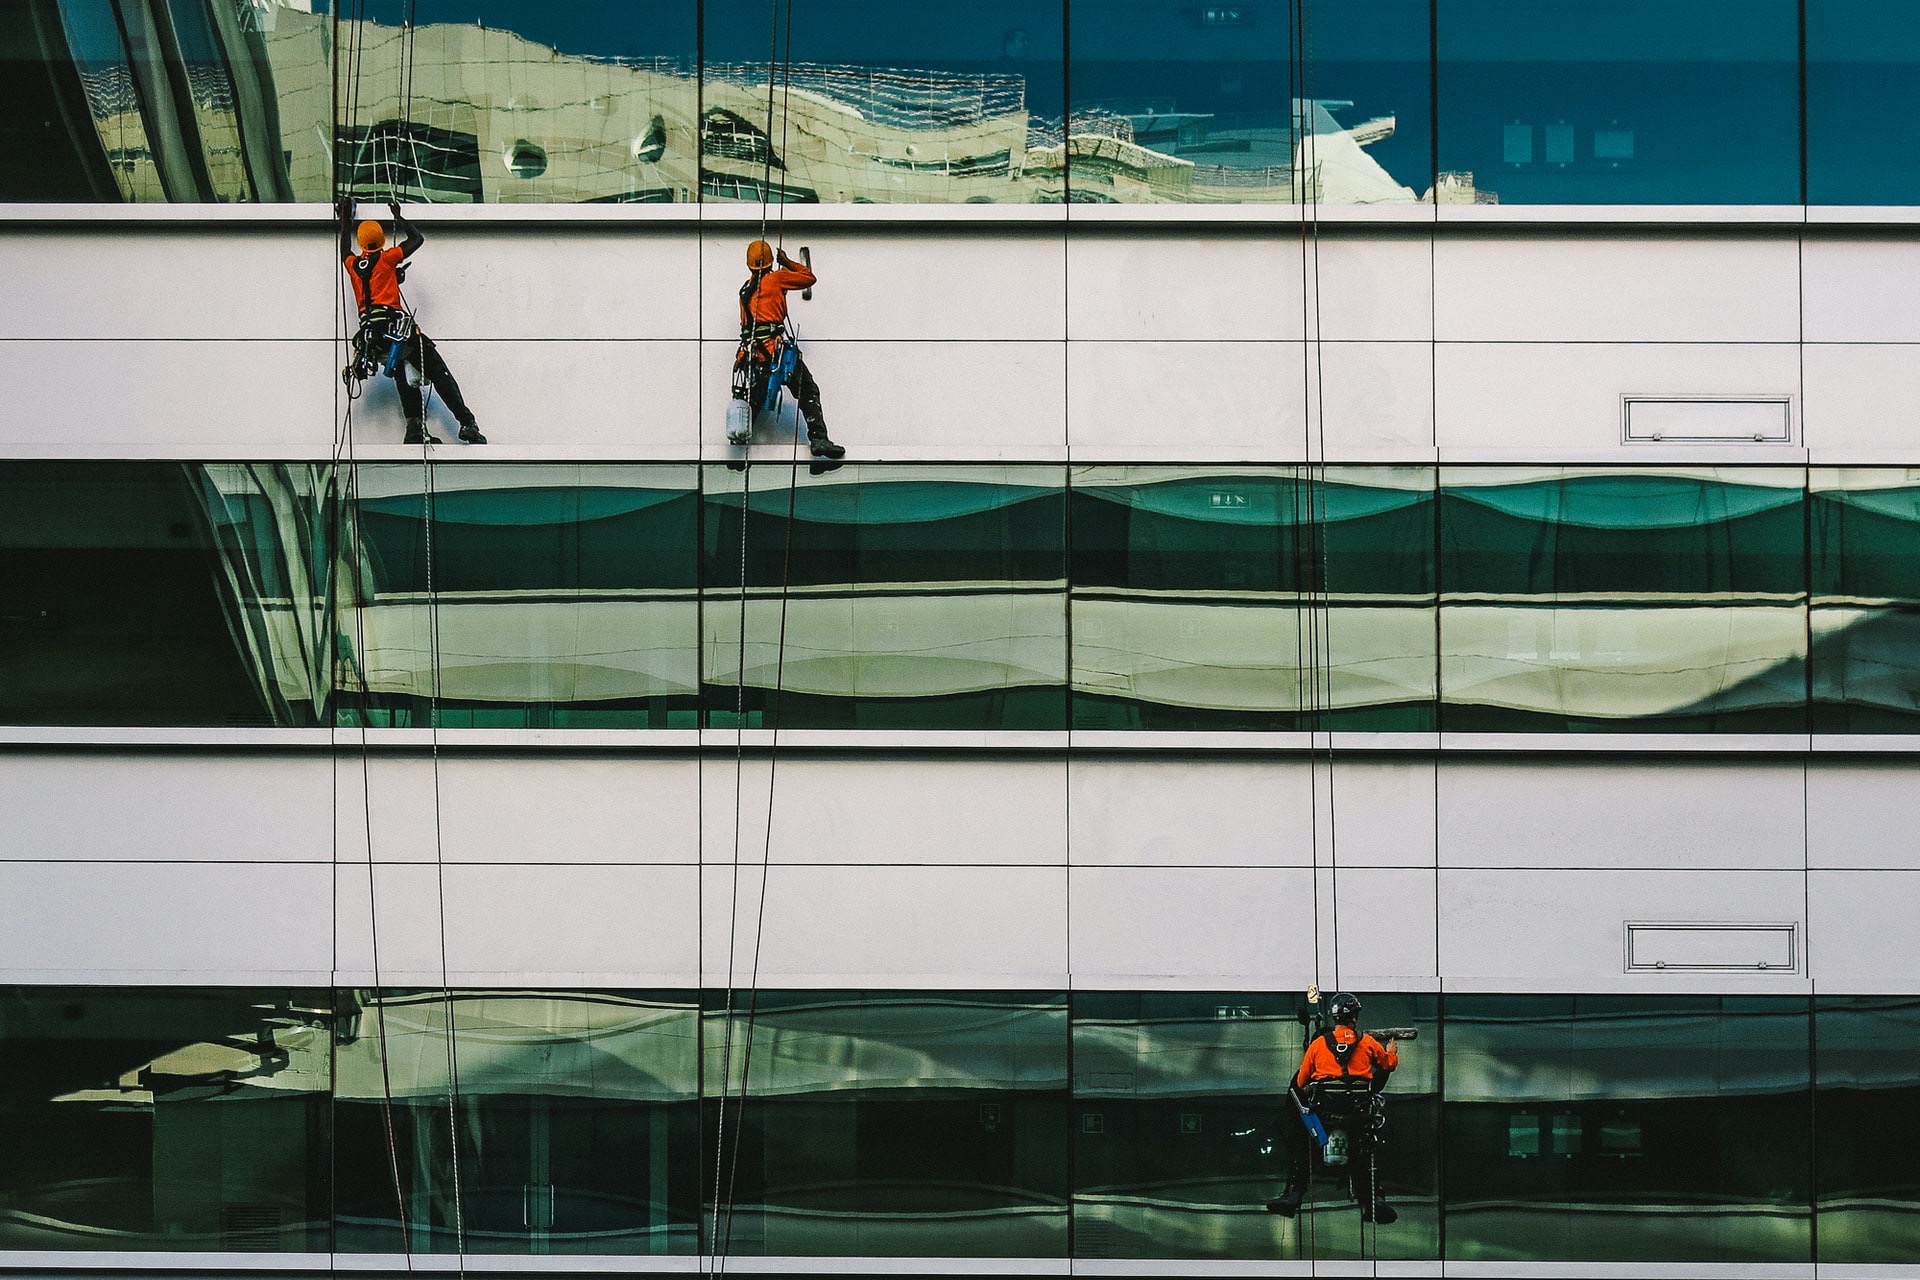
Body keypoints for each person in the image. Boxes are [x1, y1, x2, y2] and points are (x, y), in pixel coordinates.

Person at [337, 198, 485, 445]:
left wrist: (345, 218)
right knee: (437, 371)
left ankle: (415, 430)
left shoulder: (353, 265)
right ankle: (467, 422)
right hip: (395, 331)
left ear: (362, 243)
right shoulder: (386, 259)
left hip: (372, 340)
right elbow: (417, 240)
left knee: (403, 376)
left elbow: (344, 249)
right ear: (381, 242)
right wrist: (399, 217)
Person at [1267, 992, 1400, 1224]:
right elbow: (1388, 1065)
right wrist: (1392, 1052)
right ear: (1355, 1017)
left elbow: (1300, 1082)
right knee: (1365, 1152)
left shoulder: (1318, 1045)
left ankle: (1293, 1195)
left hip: (1324, 1119)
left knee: (1303, 1145)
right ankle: (1374, 1201)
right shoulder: (1368, 1042)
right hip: (1357, 1119)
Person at [729, 238, 843, 459]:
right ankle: (819, 439)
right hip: (774, 352)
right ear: (770, 262)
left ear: (749, 265)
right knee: (807, 390)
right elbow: (809, 277)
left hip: (754, 354)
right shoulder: (775, 280)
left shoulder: (745, 289)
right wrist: (788, 261)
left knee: (755, 399)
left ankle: (738, 446)